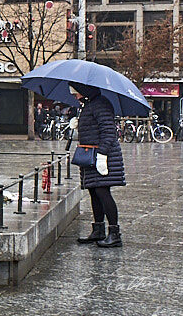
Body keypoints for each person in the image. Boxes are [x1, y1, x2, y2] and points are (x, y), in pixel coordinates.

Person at [72, 82, 125, 248]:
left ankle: (115, 234)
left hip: (101, 155)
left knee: (103, 191)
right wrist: (78, 123)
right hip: (90, 155)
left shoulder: (100, 104)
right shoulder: (89, 105)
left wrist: (102, 155)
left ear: (84, 90)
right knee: (94, 191)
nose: (74, 95)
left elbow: (109, 132)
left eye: (75, 92)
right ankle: (98, 230)